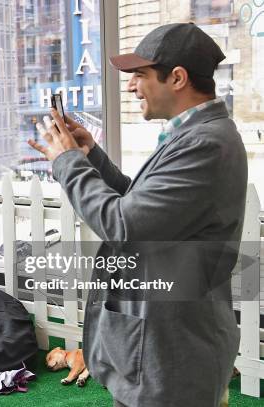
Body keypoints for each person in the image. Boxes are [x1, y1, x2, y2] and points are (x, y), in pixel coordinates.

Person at [29, 23, 246, 407]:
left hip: (174, 356)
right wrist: (91, 157)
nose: (131, 87)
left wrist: (66, 163)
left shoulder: (205, 143)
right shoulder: (195, 135)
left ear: (177, 78)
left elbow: (124, 224)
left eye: (140, 75)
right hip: (167, 347)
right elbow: (145, 207)